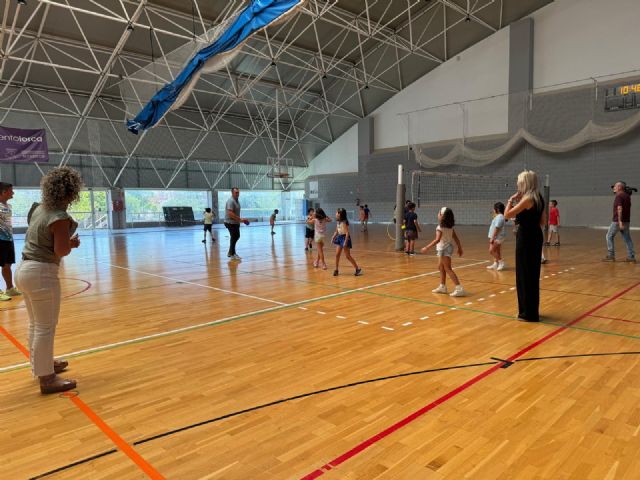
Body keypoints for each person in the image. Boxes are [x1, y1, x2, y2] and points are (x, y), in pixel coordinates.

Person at [15, 167, 82, 394]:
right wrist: (70, 244)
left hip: (24, 269)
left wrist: (65, 243)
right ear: (72, 192)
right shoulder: (59, 217)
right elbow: (61, 250)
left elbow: (45, 240)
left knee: (36, 324)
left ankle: (42, 365)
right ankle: (47, 379)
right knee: (45, 327)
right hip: (41, 273)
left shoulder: (39, 209)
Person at [505, 170, 545, 322]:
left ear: (524, 182)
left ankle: (526, 314)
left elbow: (507, 215)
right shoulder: (539, 197)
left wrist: (511, 200)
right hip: (536, 236)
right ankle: (531, 311)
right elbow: (543, 221)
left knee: (524, 275)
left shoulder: (527, 199)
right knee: (532, 275)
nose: (517, 184)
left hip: (526, 238)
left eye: (519, 181)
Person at [421, 207, 465, 297]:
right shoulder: (450, 227)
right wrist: (459, 248)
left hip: (444, 249)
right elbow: (456, 238)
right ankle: (442, 286)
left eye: (439, 213)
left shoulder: (439, 227)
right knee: (441, 267)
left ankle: (459, 288)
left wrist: (426, 247)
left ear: (442, 216)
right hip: (445, 248)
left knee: (448, 268)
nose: (438, 214)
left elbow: (437, 240)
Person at [603, 182, 635, 263]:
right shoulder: (627, 196)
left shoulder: (619, 196)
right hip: (626, 221)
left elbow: (620, 208)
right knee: (627, 239)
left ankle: (611, 255)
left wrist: (620, 222)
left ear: (620, 187)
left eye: (615, 186)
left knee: (609, 236)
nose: (613, 188)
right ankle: (631, 257)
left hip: (617, 221)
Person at [0, 182, 20, 301]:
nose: (13, 193)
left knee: (8, 264)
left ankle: (10, 288)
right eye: (10, 190)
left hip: (9, 239)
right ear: (3, 192)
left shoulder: (8, 206)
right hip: (0, 240)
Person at [331, 208, 362, 276]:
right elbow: (337, 231)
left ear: (340, 214)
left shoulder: (344, 222)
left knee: (347, 256)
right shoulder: (338, 222)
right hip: (340, 237)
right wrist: (333, 237)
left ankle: (357, 269)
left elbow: (347, 233)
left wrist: (345, 242)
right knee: (337, 255)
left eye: (337, 212)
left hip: (345, 238)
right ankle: (336, 270)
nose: (336, 213)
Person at [224, 188, 249, 260]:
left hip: (235, 222)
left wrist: (240, 220)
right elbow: (230, 213)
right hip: (230, 222)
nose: (237, 194)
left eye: (238, 192)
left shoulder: (237, 201)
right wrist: (240, 220)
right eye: (236, 192)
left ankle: (231, 252)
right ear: (232, 193)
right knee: (235, 236)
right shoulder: (230, 201)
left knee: (236, 236)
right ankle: (232, 253)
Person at [487, 202, 507, 271]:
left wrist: (493, 237)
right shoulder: (499, 216)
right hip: (497, 237)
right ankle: (495, 264)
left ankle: (501, 262)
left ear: (497, 209)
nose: (493, 209)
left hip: (497, 237)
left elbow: (497, 228)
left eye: (494, 208)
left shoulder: (500, 217)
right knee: (497, 251)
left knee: (491, 250)